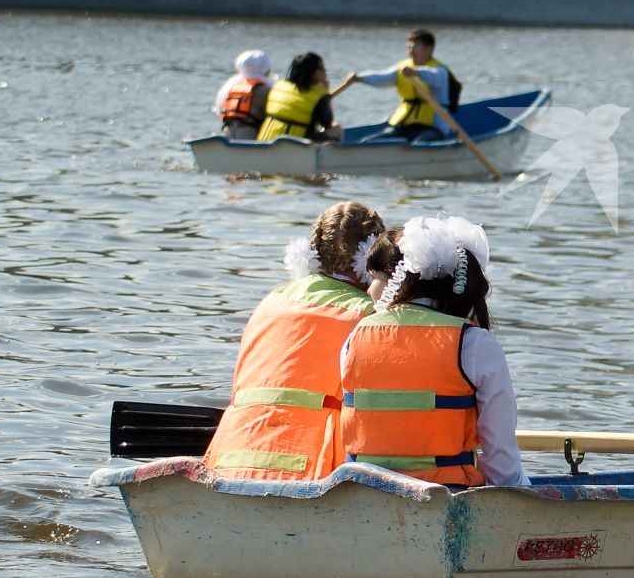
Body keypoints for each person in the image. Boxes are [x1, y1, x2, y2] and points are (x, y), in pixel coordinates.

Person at [339, 215, 527, 488]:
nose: (369, 290)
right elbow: (501, 460)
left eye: (377, 278)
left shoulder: (354, 338)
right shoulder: (474, 344)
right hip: (446, 499)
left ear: (400, 281)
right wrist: (523, 496)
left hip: (363, 498)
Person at [202, 202, 384, 481]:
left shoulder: (271, 300)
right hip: (313, 469)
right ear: (373, 258)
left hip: (228, 459)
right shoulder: (372, 317)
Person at [340, 28, 458, 143]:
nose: (411, 51)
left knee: (419, 145)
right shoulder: (403, 67)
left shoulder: (440, 70)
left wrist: (417, 72)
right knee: (368, 142)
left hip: (432, 128)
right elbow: (382, 78)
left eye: (415, 47)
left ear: (429, 49)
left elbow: (433, 77)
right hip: (405, 125)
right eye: (409, 47)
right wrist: (360, 77)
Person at [257, 52, 344, 143]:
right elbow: (327, 124)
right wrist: (325, 91)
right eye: (323, 69)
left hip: (265, 142)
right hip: (296, 147)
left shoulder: (278, 86)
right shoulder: (319, 95)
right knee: (337, 130)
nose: (325, 72)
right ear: (315, 72)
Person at [214, 49, 271, 139]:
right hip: (250, 135)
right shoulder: (266, 89)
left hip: (227, 133)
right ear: (264, 68)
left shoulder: (229, 86)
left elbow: (219, 109)